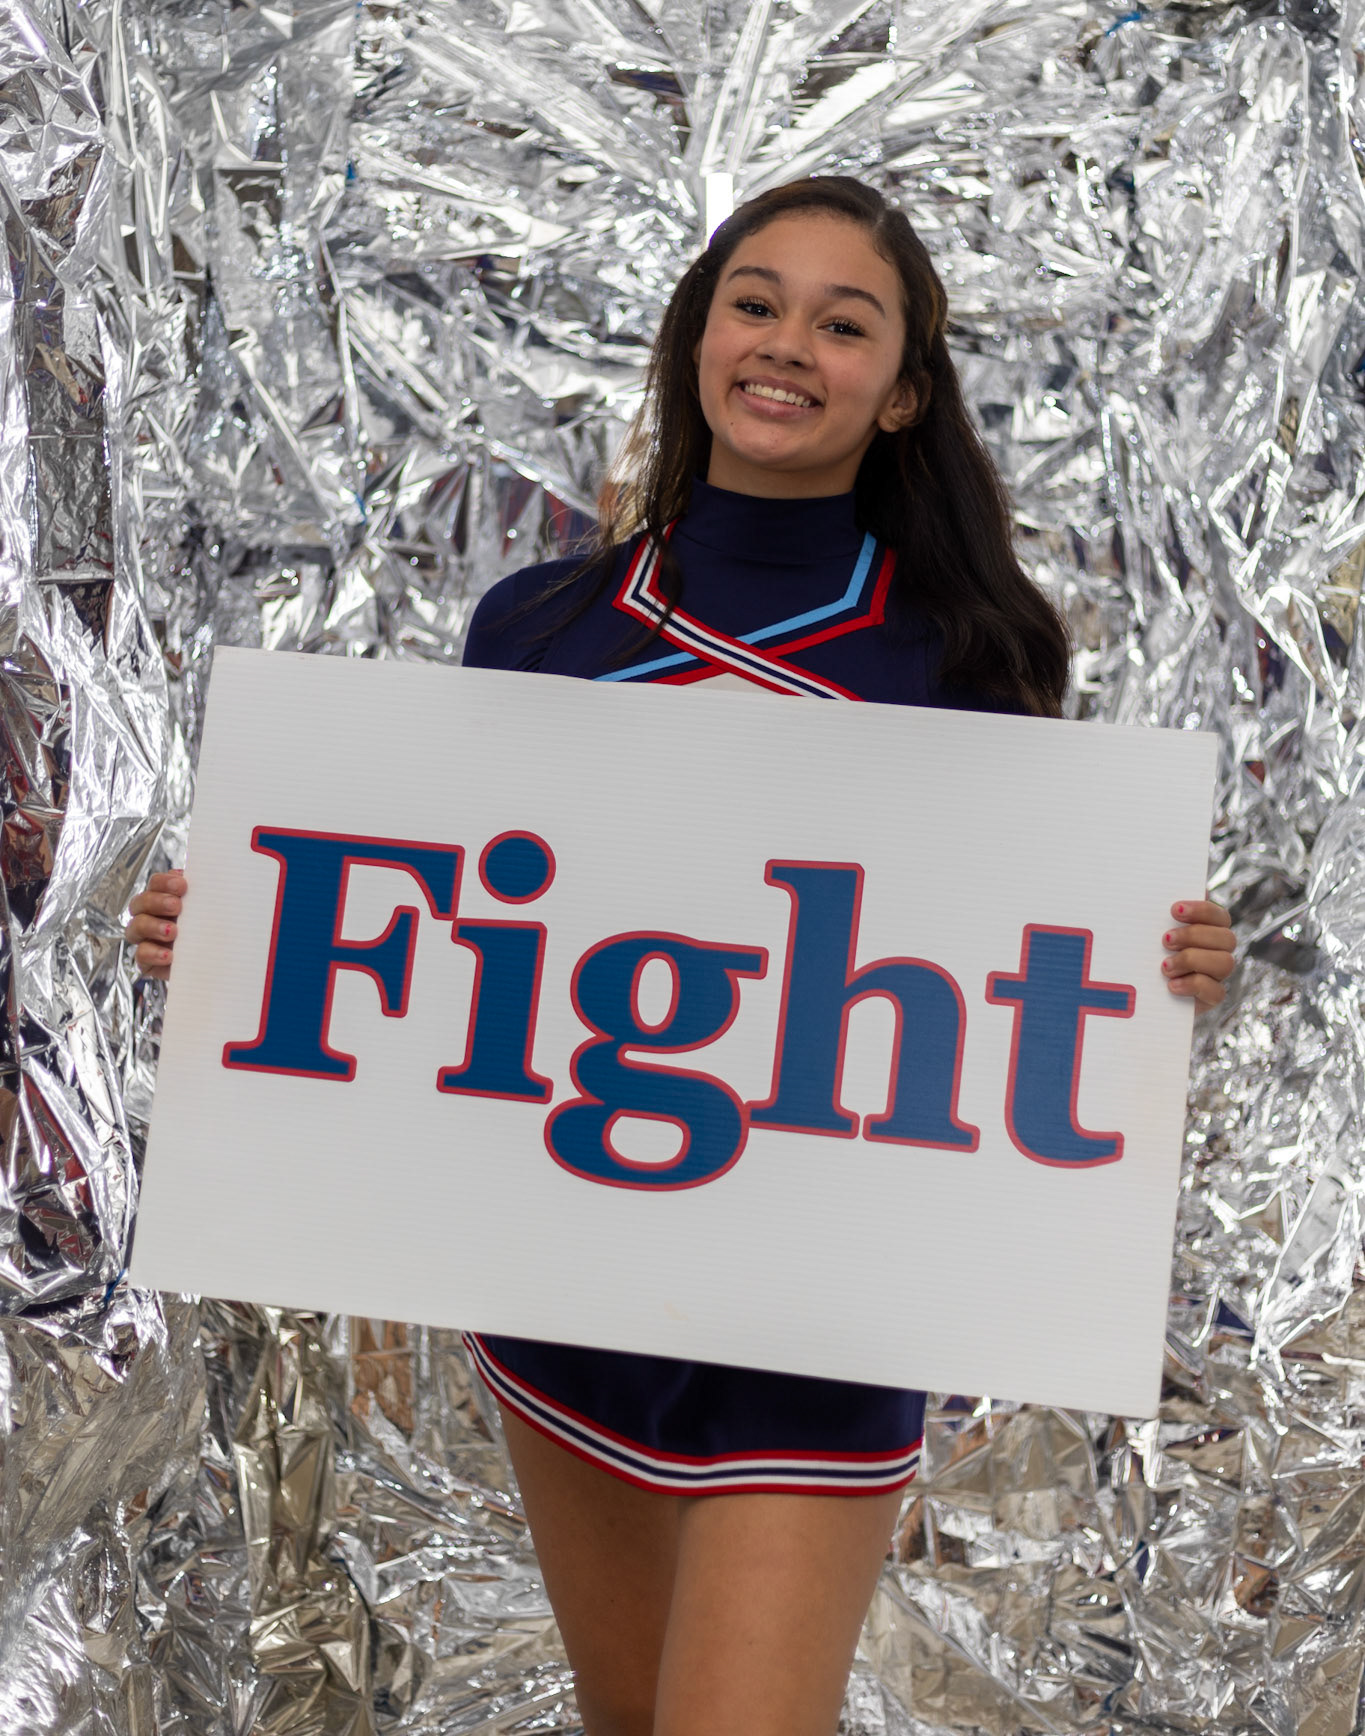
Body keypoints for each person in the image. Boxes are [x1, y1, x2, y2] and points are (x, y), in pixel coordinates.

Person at [128, 177, 1236, 1736]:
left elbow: (1015, 983)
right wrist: (241, 937)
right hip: (572, 1296)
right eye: (755, 302)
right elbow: (448, 929)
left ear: (902, 387)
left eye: (844, 324)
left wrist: (1162, 968)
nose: (788, 346)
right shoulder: (541, 627)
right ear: (698, 334)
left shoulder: (963, 661)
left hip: (819, 1329)